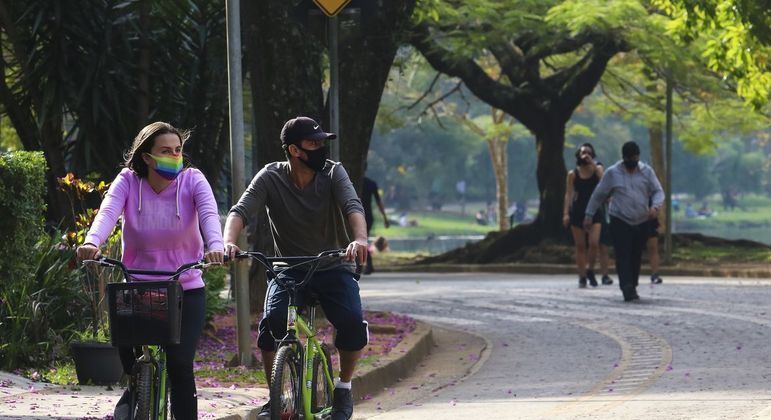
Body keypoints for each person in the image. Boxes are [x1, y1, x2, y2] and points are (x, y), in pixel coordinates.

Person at [76, 122, 224, 419]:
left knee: (181, 364)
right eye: (165, 151)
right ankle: (137, 391)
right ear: (147, 157)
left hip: (186, 287)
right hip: (136, 287)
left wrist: (215, 244)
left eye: (178, 150)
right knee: (129, 359)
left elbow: (208, 213)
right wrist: (92, 242)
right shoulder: (129, 181)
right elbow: (108, 211)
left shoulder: (192, 180)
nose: (175, 156)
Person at [223, 116, 368, 420]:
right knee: (272, 326)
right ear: (294, 150)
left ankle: (343, 388)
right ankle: (274, 398)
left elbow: (352, 206)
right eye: (313, 144)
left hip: (333, 265)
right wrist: (228, 243)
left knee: (352, 324)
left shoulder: (333, 172)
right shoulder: (270, 177)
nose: (320, 149)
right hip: (289, 268)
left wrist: (359, 240)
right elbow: (240, 211)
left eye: (321, 143)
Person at [585, 141, 664, 302]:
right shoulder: (613, 173)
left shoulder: (647, 172)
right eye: (629, 159)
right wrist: (589, 215)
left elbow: (658, 191)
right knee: (623, 254)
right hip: (620, 219)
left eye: (634, 159)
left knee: (635, 254)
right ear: (624, 158)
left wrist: (655, 207)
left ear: (638, 157)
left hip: (642, 220)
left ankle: (632, 284)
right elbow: (598, 195)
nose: (632, 163)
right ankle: (626, 287)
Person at [563, 143, 605, 288]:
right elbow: (568, 194)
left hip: (595, 211)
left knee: (594, 244)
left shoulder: (597, 169)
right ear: (578, 156)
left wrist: (592, 164)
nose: (585, 155)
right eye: (583, 153)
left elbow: (604, 182)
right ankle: (581, 276)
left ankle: (591, 270)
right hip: (578, 211)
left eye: (588, 152)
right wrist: (566, 213)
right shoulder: (572, 174)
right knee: (580, 246)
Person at [361, 163, 390, 274]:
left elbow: (378, 202)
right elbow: (379, 202)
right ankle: (364, 264)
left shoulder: (353, 183)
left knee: (360, 239)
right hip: (367, 216)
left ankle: (367, 264)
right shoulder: (371, 183)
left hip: (362, 215)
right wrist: (385, 218)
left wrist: (385, 218)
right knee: (362, 239)